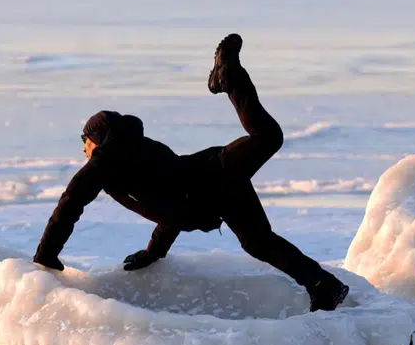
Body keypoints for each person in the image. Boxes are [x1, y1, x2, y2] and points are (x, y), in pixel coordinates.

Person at [33, 34, 349, 312]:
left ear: (96, 139)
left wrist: (45, 256)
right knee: (258, 242)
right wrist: (153, 251)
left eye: (84, 141)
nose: (82, 149)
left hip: (215, 173)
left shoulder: (103, 164)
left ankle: (228, 76)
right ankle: (326, 287)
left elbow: (70, 204)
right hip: (216, 189)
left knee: (268, 139)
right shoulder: (136, 151)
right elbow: (170, 205)